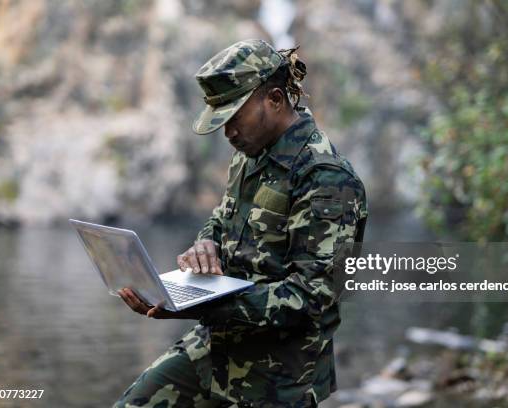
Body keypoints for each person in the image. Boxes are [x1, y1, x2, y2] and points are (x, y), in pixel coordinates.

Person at [114, 39, 368, 408]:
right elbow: (222, 219)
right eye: (221, 121)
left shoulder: (327, 179)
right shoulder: (250, 155)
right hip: (216, 348)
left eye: (234, 117)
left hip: (278, 378)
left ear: (276, 99)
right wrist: (205, 245)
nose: (228, 132)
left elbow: (312, 299)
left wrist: (199, 304)